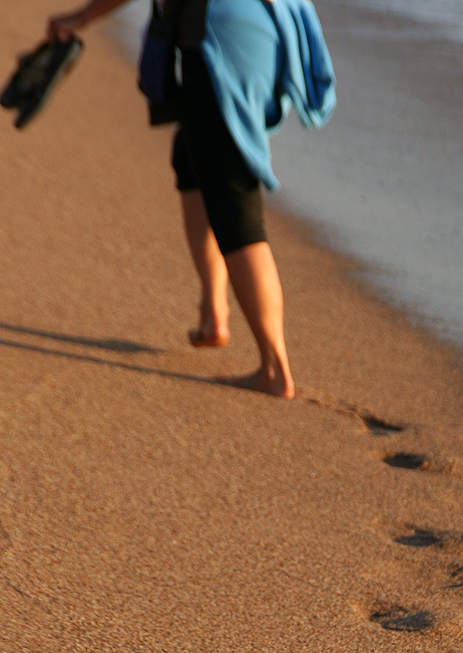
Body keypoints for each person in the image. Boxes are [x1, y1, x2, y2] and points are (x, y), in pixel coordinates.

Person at [46, 0, 335, 398]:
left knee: (234, 204)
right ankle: (213, 310)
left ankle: (275, 369)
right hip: (267, 24)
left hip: (224, 35)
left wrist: (79, 18)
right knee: (192, 155)